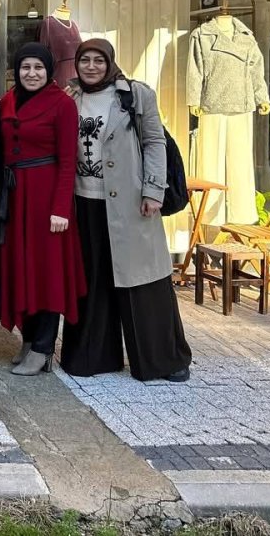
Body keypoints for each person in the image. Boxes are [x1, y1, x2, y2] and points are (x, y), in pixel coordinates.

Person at [60, 39, 192, 383]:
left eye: (98, 60)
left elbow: (154, 141)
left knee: (142, 280)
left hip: (131, 203)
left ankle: (164, 360)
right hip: (83, 202)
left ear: (110, 63)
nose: (91, 67)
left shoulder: (135, 95)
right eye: (85, 60)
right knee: (92, 281)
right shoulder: (70, 96)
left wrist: (154, 190)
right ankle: (93, 357)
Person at [0, 43, 86, 376]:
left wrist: (61, 208)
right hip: (15, 196)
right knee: (22, 268)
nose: (31, 74)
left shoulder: (63, 104)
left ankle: (44, 347)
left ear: (48, 71)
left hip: (47, 197)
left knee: (47, 272)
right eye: (25, 67)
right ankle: (28, 338)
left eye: (38, 68)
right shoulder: (7, 100)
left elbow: (68, 161)